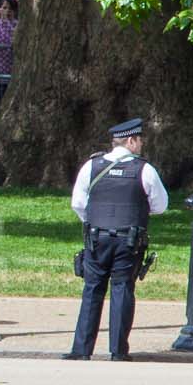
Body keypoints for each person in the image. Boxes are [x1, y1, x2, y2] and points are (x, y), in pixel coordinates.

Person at [66, 118, 170, 361]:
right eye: (140, 140)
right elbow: (161, 206)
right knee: (123, 290)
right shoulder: (144, 169)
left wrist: (93, 221)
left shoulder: (91, 166)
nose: (142, 144)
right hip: (129, 240)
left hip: (96, 238)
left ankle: (81, 350)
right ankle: (118, 350)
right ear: (132, 141)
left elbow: (78, 204)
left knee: (92, 290)